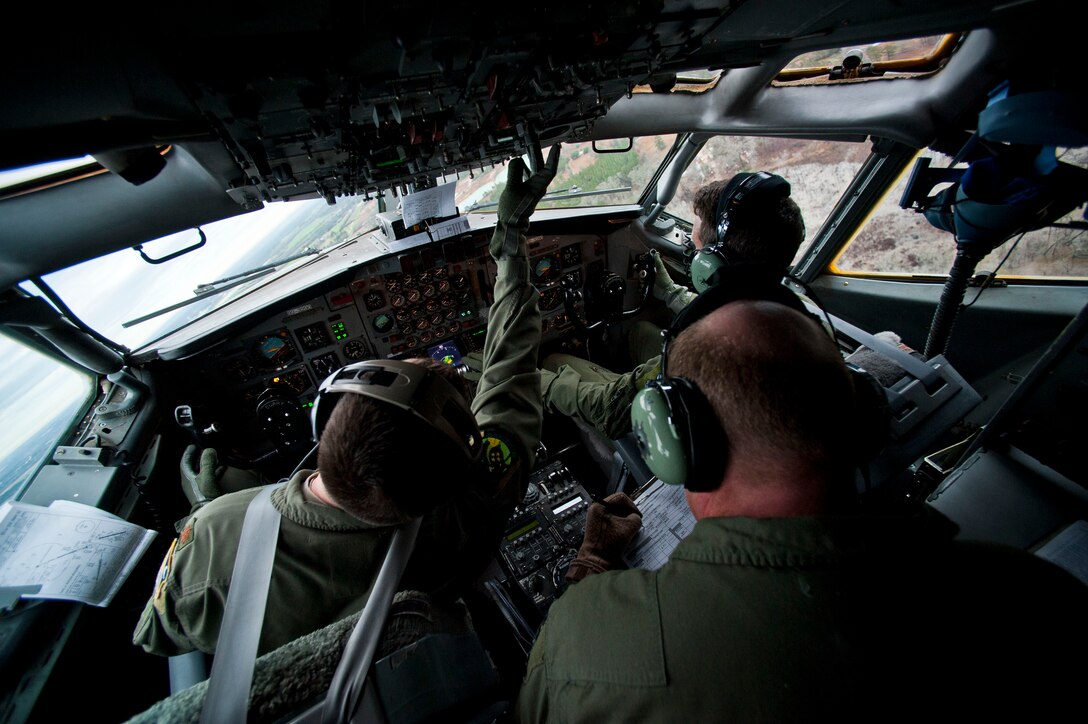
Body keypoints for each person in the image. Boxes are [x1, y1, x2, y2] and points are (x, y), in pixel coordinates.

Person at [516, 295, 1088, 721]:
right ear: (862, 421)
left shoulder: (586, 636)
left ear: (673, 445)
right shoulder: (1035, 592)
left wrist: (590, 566)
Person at [132, 145, 562, 658]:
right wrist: (509, 236)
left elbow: (152, 635)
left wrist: (206, 512)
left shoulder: (213, 550)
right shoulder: (471, 509)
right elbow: (512, 366)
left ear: (328, 417)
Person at [537, 172, 806, 440]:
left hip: (691, 433)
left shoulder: (707, 347)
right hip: (736, 410)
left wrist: (535, 383)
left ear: (714, 260)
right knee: (640, 332)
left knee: (553, 363)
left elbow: (608, 409)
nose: (691, 235)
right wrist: (670, 291)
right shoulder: (787, 307)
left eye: (697, 228)